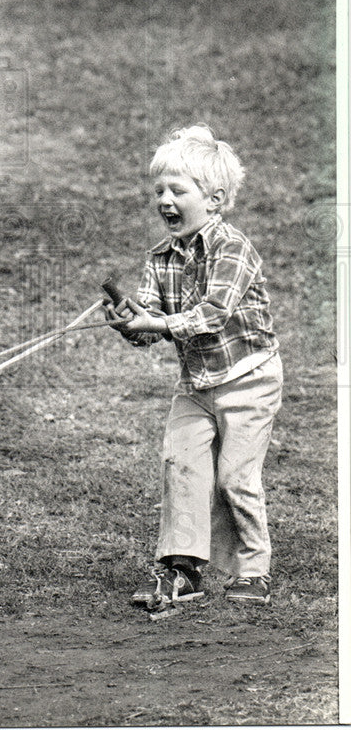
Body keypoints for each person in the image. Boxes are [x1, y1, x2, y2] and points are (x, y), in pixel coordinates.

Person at [104, 125, 282, 608]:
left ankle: (252, 570)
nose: (165, 199)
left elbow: (212, 315)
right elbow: (149, 325)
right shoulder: (160, 257)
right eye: (159, 190)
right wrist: (129, 323)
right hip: (197, 384)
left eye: (177, 190)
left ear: (215, 199)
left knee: (235, 479)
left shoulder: (233, 248)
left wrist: (157, 325)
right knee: (181, 465)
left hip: (249, 380)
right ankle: (182, 569)